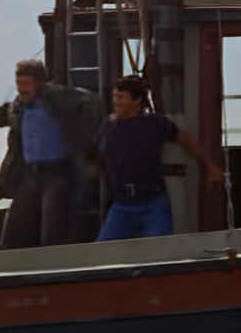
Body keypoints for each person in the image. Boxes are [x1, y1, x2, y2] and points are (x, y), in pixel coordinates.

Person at [0, 58, 99, 249]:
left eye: (26, 84)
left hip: (57, 174)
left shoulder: (58, 99)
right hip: (30, 175)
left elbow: (90, 102)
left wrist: (86, 139)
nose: (22, 89)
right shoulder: (18, 106)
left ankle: (55, 268)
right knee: (14, 231)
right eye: (18, 84)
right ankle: (11, 268)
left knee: (53, 231)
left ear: (40, 82)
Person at [89, 75, 224, 242]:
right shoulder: (107, 126)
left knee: (161, 253)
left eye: (121, 97)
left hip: (153, 204)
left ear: (137, 100)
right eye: (114, 96)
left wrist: (211, 167)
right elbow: (96, 154)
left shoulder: (155, 124)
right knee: (102, 253)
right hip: (121, 206)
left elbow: (187, 141)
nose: (116, 102)